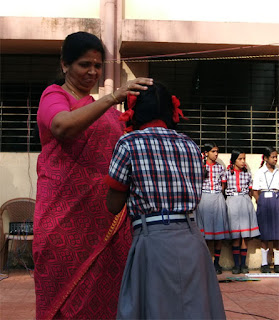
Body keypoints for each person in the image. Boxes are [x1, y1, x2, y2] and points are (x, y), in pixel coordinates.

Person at [33, 31, 153, 320]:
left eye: (97, 66)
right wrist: (112, 97)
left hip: (106, 220)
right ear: (65, 65)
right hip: (62, 220)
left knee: (107, 301)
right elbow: (62, 127)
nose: (92, 72)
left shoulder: (107, 112)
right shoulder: (55, 95)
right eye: (84, 64)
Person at [105, 82, 226, 320]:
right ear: (171, 112)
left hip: (153, 241)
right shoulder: (190, 145)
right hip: (192, 239)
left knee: (154, 310)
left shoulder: (128, 143)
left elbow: (113, 205)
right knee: (194, 310)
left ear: (136, 112)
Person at [195, 142, 230, 275]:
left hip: (217, 198)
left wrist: (218, 194)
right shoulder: (200, 167)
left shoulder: (220, 168)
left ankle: (217, 263)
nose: (216, 154)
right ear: (206, 153)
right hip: (204, 198)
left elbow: (223, 185)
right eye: (213, 151)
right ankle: (205, 262)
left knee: (218, 232)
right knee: (204, 233)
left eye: (217, 151)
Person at [225, 149, 260, 274]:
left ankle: (243, 264)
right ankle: (236, 264)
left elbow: (250, 191)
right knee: (236, 236)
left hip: (244, 201)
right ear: (234, 160)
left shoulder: (247, 174)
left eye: (244, 159)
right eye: (240, 159)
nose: (243, 161)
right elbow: (224, 188)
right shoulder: (227, 173)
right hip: (232, 202)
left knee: (244, 236)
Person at [253, 147, 279, 273]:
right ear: (266, 158)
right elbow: (255, 191)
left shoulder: (278, 171)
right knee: (265, 234)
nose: (275, 159)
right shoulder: (259, 172)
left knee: (277, 234)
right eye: (273, 157)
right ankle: (264, 263)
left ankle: (277, 263)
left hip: (276, 200)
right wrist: (260, 202)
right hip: (264, 201)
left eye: (276, 157)